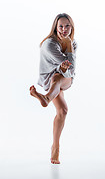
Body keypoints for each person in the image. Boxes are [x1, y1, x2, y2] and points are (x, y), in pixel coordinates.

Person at [29, 13, 78, 164]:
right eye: (61, 26)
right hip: (49, 80)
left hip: (64, 80)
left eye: (67, 26)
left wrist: (69, 47)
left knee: (58, 77)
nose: (64, 29)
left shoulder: (72, 43)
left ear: (72, 27)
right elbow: (66, 66)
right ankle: (55, 148)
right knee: (62, 111)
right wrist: (64, 65)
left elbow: (70, 71)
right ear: (55, 28)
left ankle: (46, 98)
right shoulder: (49, 44)